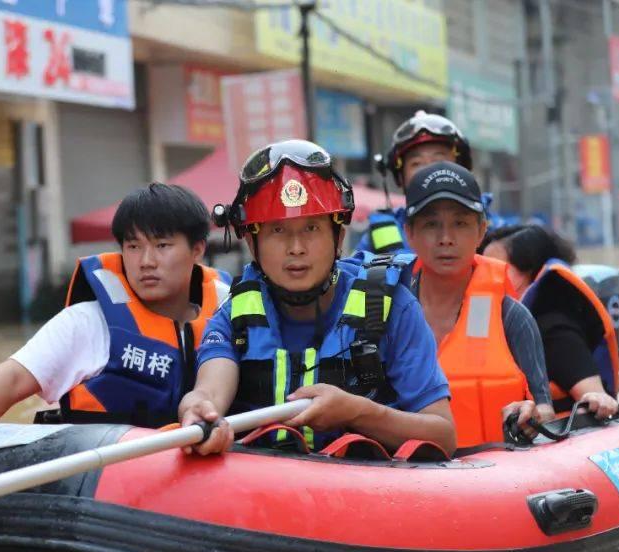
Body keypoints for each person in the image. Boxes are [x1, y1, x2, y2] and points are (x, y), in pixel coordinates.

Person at [179, 140, 455, 456]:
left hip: (368, 497)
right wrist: (198, 410)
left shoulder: (393, 307)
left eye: (311, 227)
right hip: (262, 498)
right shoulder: (235, 314)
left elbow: (443, 433)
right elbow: (208, 392)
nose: (296, 247)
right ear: (253, 244)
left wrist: (358, 412)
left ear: (338, 237)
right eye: (278, 231)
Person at [0, 183, 230, 429]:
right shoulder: (87, 323)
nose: (146, 261)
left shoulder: (230, 313)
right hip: (110, 481)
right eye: (133, 246)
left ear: (198, 249)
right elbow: (13, 379)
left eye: (163, 245)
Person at [402, 162, 555, 447]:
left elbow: (545, 407)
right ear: (409, 233)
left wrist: (533, 414)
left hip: (491, 478)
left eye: (460, 223)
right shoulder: (386, 314)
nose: (446, 239)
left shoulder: (511, 316)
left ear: (481, 230)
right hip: (411, 479)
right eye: (431, 224)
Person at [481, 225, 619, 419]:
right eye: (482, 267)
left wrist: (597, 398)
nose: (484, 275)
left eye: (497, 267)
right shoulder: (484, 323)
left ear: (529, 271)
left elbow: (597, 399)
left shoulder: (553, 331)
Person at [354, 111, 473, 256]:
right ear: (400, 177)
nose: (429, 171)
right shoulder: (382, 231)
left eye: (439, 160)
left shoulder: (495, 230)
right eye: (416, 163)